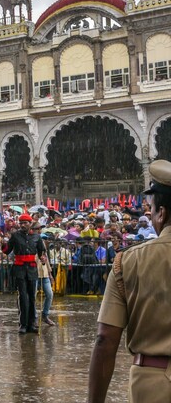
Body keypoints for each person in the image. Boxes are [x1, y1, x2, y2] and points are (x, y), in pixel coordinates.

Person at [89, 159, 171, 402]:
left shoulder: (128, 261)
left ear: (162, 213)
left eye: (152, 211)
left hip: (152, 383)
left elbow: (105, 339)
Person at [3, 213, 45, 334]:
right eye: (21, 223)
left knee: (32, 296)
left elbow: (42, 252)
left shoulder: (37, 237)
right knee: (23, 297)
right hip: (19, 269)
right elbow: (7, 250)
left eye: (25, 223)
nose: (22, 225)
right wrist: (2, 244)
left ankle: (32, 324)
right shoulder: (15, 236)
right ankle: (23, 324)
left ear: (30, 223)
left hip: (32, 269)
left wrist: (43, 258)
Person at [36, 245, 56, 326]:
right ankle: (33, 317)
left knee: (50, 294)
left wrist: (50, 274)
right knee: (32, 296)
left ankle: (45, 315)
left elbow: (46, 261)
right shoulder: (33, 249)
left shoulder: (44, 249)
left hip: (45, 275)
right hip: (34, 275)